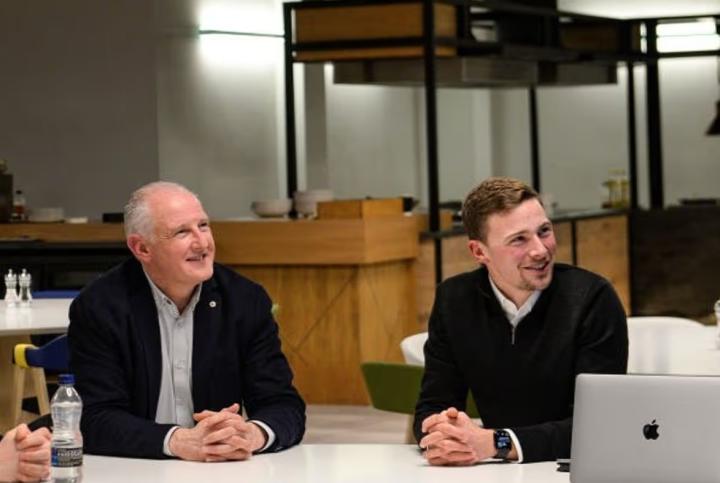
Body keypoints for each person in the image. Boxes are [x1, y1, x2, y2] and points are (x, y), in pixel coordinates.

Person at [68, 181, 305, 460]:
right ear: (142, 248)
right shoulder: (101, 306)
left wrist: (253, 434)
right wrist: (177, 441)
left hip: (218, 470)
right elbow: (94, 417)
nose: (202, 243)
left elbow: (282, 403)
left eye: (203, 226)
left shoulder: (244, 300)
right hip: (137, 468)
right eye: (182, 232)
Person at [414, 177, 628, 464]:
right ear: (479, 252)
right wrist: (443, 434)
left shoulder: (592, 299)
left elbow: (597, 426)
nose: (540, 250)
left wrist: (496, 443)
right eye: (519, 239)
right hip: (495, 472)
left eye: (544, 231)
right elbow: (432, 407)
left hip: (572, 471)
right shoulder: (454, 300)